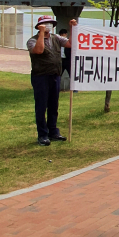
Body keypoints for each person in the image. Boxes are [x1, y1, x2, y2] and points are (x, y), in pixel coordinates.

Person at [27, 16, 78, 146]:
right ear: (39, 26)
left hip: (55, 76)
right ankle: (42, 135)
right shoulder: (32, 40)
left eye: (49, 24)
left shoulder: (56, 38)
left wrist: (72, 28)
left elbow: (70, 43)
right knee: (41, 106)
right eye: (44, 24)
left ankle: (53, 131)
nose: (48, 26)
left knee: (54, 105)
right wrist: (41, 34)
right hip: (40, 76)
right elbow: (39, 50)